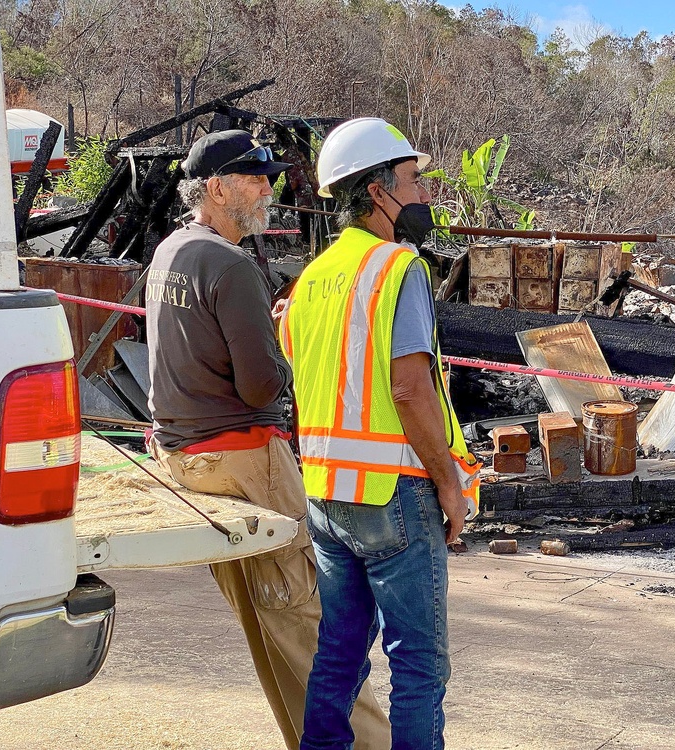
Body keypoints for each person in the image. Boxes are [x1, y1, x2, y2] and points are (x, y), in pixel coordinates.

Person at [144, 129, 390, 750]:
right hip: (246, 459)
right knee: (311, 621)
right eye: (254, 178)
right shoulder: (230, 265)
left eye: (268, 177)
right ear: (217, 188)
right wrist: (283, 344)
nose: (268, 188)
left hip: (186, 462)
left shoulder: (170, 253)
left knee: (268, 627)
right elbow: (259, 389)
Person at [279, 117, 480, 750]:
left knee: (340, 654)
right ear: (376, 191)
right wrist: (448, 480)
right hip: (394, 494)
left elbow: (307, 371)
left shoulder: (311, 280)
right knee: (420, 669)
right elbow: (408, 388)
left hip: (326, 494)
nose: (422, 194)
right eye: (413, 180)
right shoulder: (398, 267)